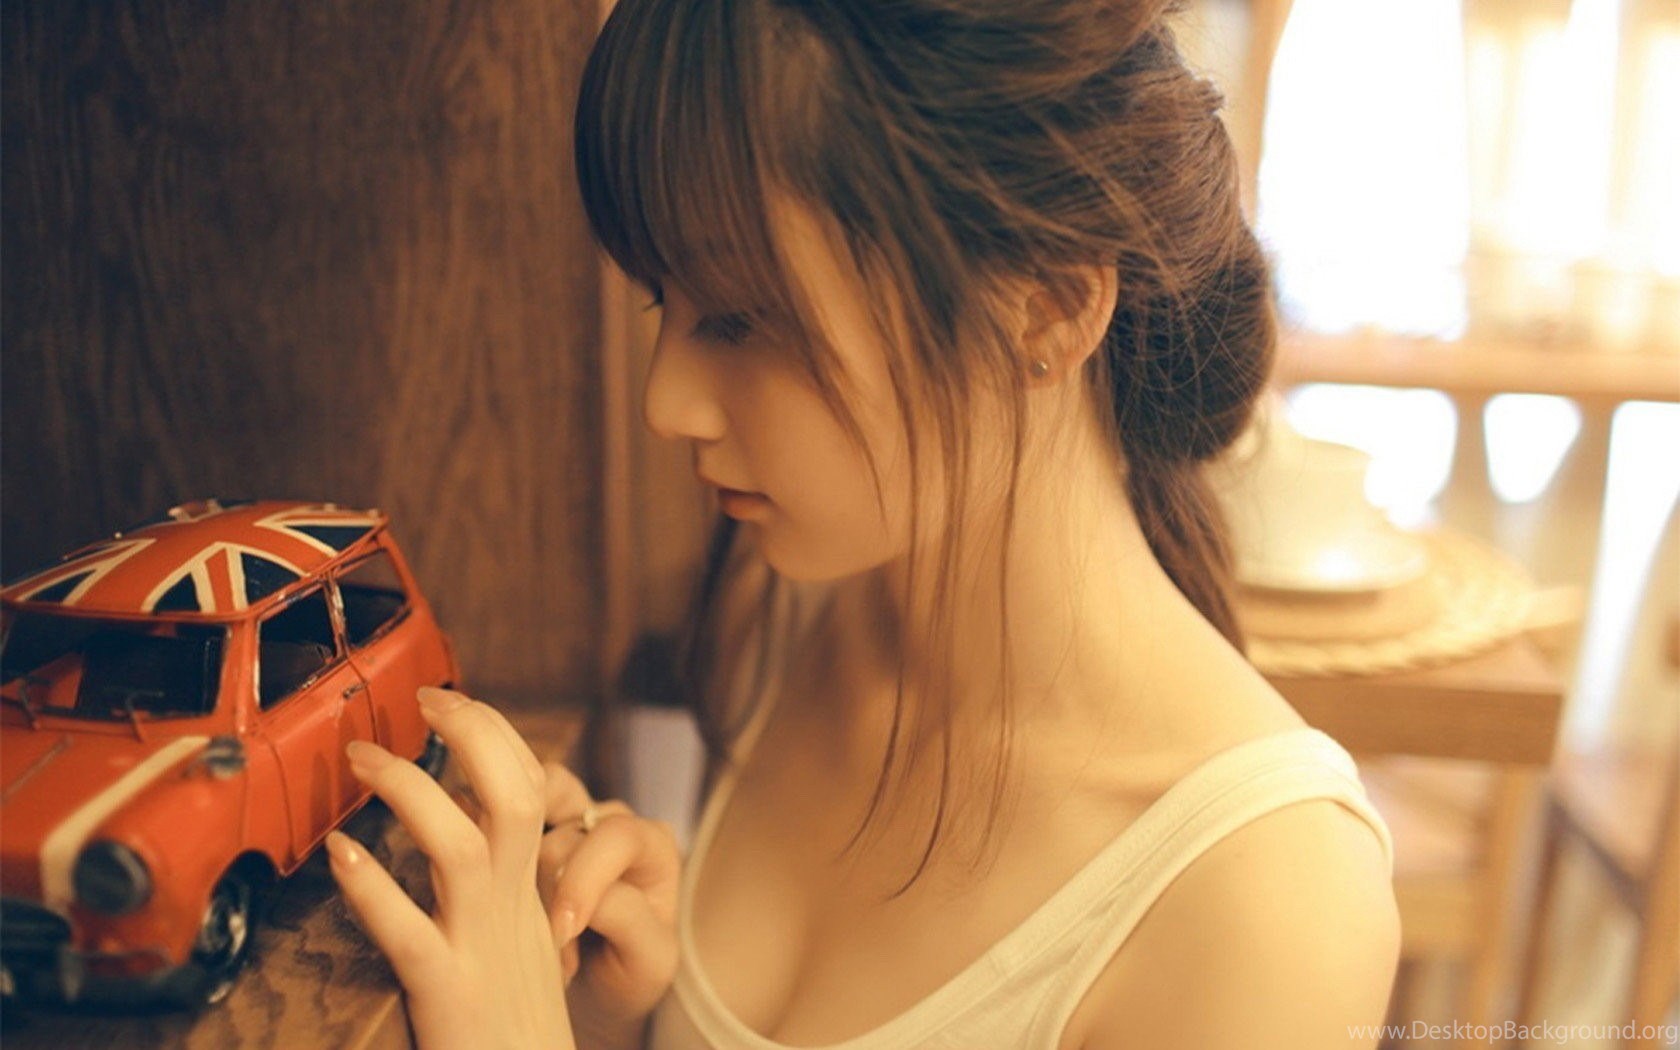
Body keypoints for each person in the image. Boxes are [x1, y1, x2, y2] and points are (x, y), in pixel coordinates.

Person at [328, 0, 1402, 1047]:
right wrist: (603, 1009)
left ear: (1047, 308)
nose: (667, 403)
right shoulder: (788, 607)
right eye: (664, 300)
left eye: (743, 318)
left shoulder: (1269, 906)